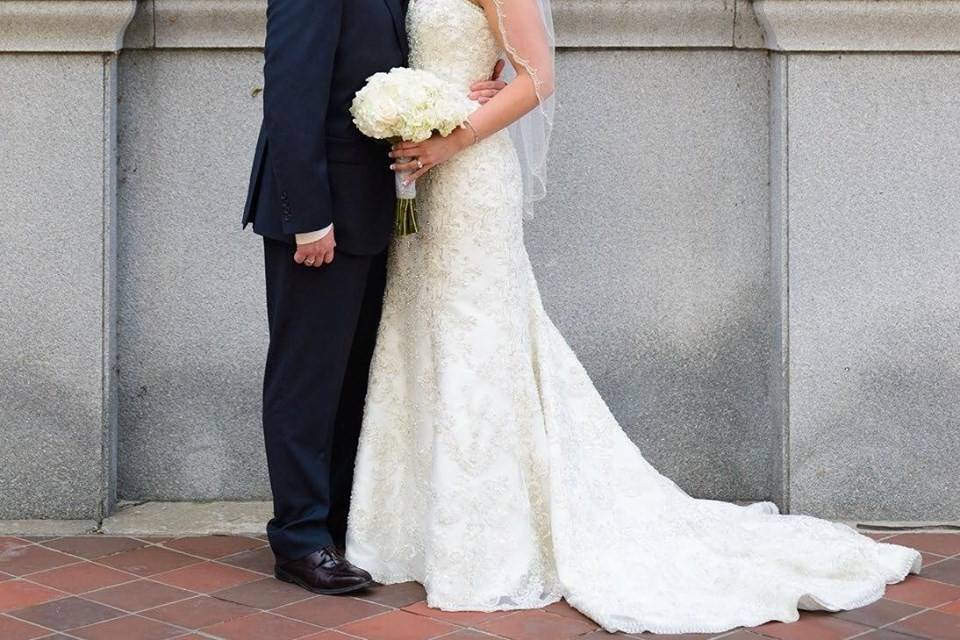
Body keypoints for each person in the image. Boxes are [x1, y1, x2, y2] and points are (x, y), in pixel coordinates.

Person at [344, 0, 923, 634]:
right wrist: (423, 108)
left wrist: (456, 134)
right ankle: (415, 529)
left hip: (470, 171)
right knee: (422, 330)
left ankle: (484, 541)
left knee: (478, 335)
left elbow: (539, 76)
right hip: (421, 171)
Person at [241, 0, 505, 595]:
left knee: (354, 374)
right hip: (320, 216)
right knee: (306, 377)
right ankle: (300, 539)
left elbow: (406, 73)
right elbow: (291, 94)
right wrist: (308, 218)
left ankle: (335, 521)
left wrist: (467, 99)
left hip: (376, 209)